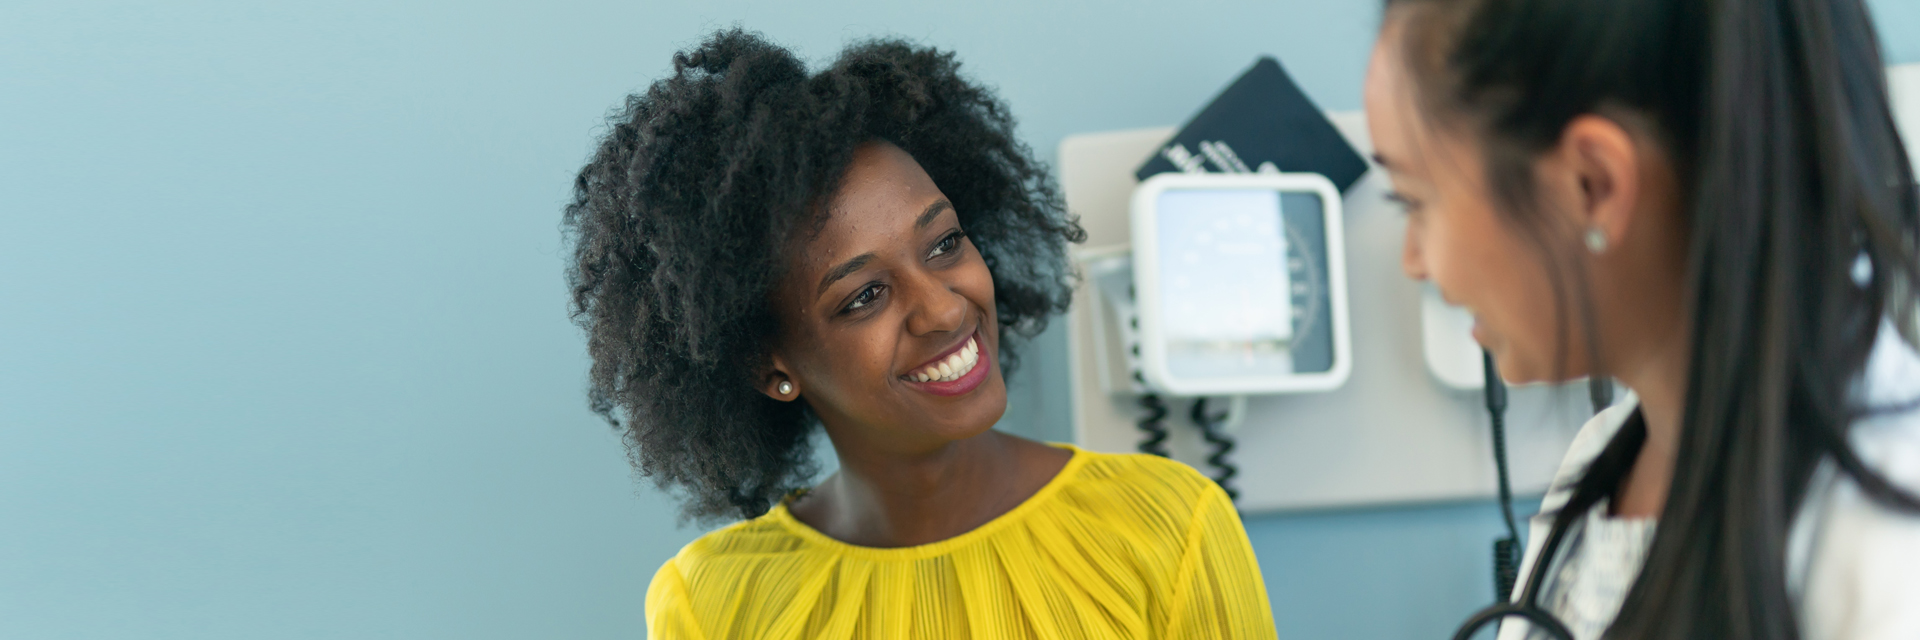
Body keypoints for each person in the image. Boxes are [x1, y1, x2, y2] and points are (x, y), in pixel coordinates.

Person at [562, 29, 1276, 640]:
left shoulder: (1169, 529)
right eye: (865, 295)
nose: (942, 308)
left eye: (944, 244)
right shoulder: (716, 607)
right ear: (768, 364)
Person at [1364, 0, 1920, 638]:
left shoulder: (1890, 547)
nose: (1413, 261)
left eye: (1415, 199)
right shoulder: (1603, 464)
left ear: (1592, 184)